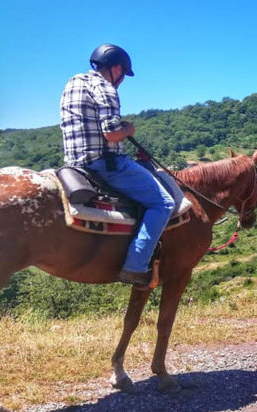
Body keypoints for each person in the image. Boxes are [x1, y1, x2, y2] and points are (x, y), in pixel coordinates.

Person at [60, 44, 175, 289]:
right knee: (163, 203)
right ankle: (135, 266)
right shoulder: (105, 87)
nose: (121, 80)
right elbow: (111, 134)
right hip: (105, 164)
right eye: (122, 74)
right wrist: (129, 129)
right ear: (116, 68)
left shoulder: (73, 82)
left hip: (74, 163)